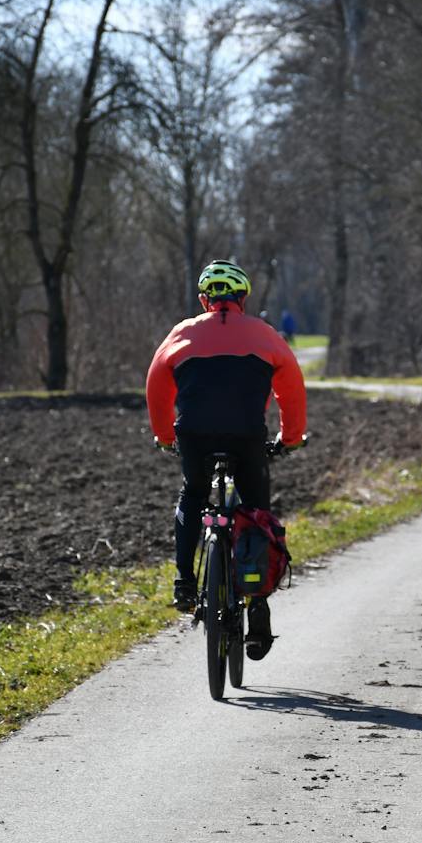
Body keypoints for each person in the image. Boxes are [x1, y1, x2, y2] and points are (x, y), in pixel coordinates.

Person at [146, 260, 307, 660]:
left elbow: (156, 387)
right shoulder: (266, 335)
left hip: (195, 436)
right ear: (243, 299)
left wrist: (167, 437)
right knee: (257, 511)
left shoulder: (181, 333)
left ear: (204, 300)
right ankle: (259, 608)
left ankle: (184, 580)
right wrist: (288, 439)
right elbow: (292, 390)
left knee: (192, 495)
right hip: (247, 436)